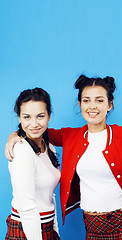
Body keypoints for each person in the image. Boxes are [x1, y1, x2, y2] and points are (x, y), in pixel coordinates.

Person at [5, 76, 122, 240]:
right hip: (91, 225)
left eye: (99, 100)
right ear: (80, 104)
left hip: (121, 222)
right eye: (86, 100)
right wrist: (13, 135)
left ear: (109, 105)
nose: (92, 106)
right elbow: (35, 130)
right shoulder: (70, 136)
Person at [5, 88, 61, 240]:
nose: (34, 123)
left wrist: (55, 229)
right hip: (26, 229)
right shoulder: (22, 150)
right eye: (27, 117)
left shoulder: (48, 145)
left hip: (47, 226)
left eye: (40, 116)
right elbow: (27, 207)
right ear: (19, 118)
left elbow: (48, 196)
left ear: (49, 116)